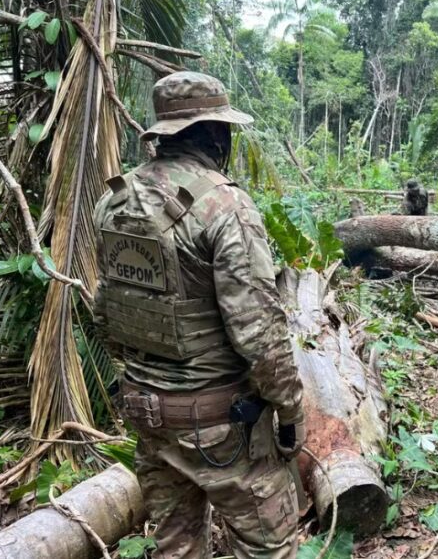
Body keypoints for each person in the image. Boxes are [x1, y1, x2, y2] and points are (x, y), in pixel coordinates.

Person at [92, 71, 304, 559]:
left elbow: (107, 310)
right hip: (221, 426)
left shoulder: (115, 201)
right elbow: (259, 333)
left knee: (176, 546)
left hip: (148, 416)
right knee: (267, 547)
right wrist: (290, 409)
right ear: (212, 133)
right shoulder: (226, 206)